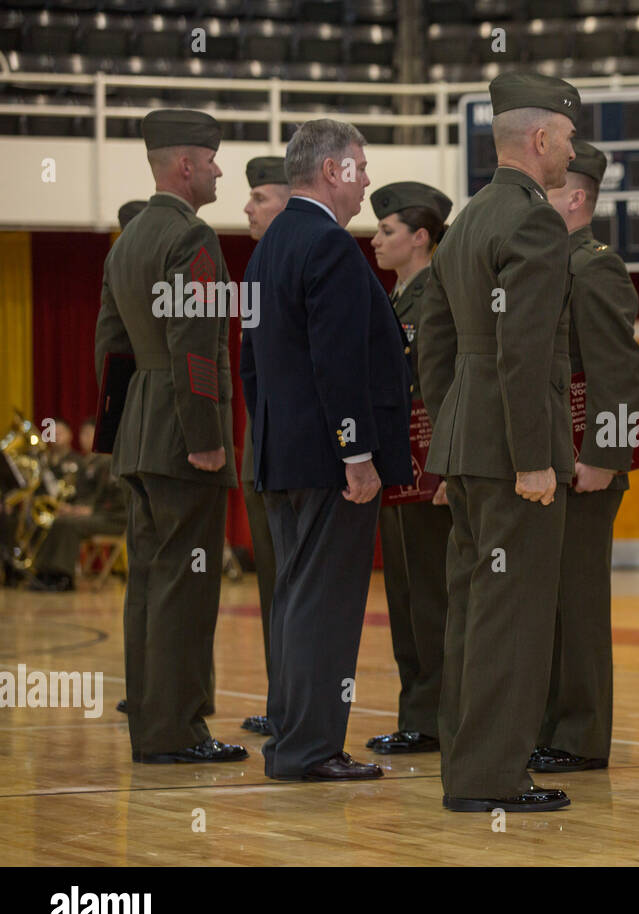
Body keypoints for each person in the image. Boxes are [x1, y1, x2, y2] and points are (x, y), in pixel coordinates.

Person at [417, 71, 579, 812]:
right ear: (541, 137)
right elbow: (523, 350)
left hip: (465, 444)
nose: (570, 152)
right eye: (568, 138)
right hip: (516, 450)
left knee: (473, 614)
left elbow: (438, 347)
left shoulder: (470, 219)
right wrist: (534, 458)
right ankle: (493, 779)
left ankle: (468, 768)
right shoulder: (534, 220)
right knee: (512, 619)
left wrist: (449, 438)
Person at [241, 118, 412, 782]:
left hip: (284, 455)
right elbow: (338, 363)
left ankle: (293, 737)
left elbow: (251, 364)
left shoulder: (268, 249)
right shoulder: (329, 246)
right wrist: (356, 453)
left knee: (295, 597)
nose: (366, 178)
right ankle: (308, 750)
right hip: (330, 464)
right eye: (360, 165)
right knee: (324, 603)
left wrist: (276, 440)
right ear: (331, 170)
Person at [93, 108, 245, 764]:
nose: (217, 170)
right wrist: (205, 435)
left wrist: (116, 433)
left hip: (140, 435)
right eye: (211, 160)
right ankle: (180, 732)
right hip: (184, 435)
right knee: (188, 584)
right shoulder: (193, 239)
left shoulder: (127, 240)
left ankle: (153, 728)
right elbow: (194, 347)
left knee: (151, 585)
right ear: (185, 166)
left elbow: (111, 348)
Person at [530, 140, 639, 773]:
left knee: (577, 602)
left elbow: (618, 372)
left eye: (546, 191)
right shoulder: (549, 260)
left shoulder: (593, 265)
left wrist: (604, 452)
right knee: (550, 602)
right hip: (556, 452)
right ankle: (552, 724)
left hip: (584, 458)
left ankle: (580, 735)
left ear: (575, 198)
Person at [366, 180, 455, 756]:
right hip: (398, 459)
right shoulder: (396, 299)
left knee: (430, 591)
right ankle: (418, 714)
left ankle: (440, 717)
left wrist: (446, 465)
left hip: (430, 463)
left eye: (387, 231)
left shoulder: (439, 297)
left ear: (420, 238)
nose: (374, 240)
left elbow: (445, 386)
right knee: (403, 589)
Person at [238, 155, 291, 738]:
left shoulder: (305, 258)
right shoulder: (257, 264)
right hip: (263, 443)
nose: (247, 208)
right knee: (273, 583)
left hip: (290, 446)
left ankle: (298, 707)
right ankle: (284, 702)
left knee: (294, 584)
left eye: (259, 197)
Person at [28, 418, 127, 592]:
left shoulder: (108, 462)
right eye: (83, 433)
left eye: (90, 434)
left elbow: (117, 498)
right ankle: (44, 572)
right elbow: (85, 496)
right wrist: (72, 508)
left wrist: (90, 510)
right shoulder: (87, 462)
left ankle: (64, 577)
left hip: (112, 519)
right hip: (96, 514)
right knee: (54, 521)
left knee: (69, 525)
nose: (85, 438)